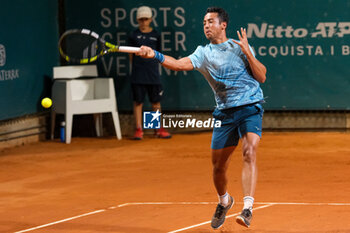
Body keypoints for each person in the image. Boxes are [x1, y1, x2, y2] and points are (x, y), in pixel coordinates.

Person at [136, 7, 267, 229]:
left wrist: (248, 52)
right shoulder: (203, 53)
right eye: (204, 22)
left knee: (250, 150)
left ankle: (247, 209)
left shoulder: (239, 47)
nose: (206, 25)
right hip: (224, 112)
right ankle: (224, 201)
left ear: (223, 25)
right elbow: (178, 64)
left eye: (211, 22)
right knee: (218, 167)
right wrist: (154, 55)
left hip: (250, 106)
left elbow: (262, 76)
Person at [128, 6, 171, 140]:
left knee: (155, 102)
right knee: (138, 102)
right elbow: (131, 57)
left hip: (153, 75)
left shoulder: (156, 35)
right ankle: (139, 129)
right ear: (137, 20)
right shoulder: (133, 35)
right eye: (141, 19)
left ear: (151, 19)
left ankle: (156, 129)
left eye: (146, 19)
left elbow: (159, 54)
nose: (143, 22)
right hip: (138, 75)